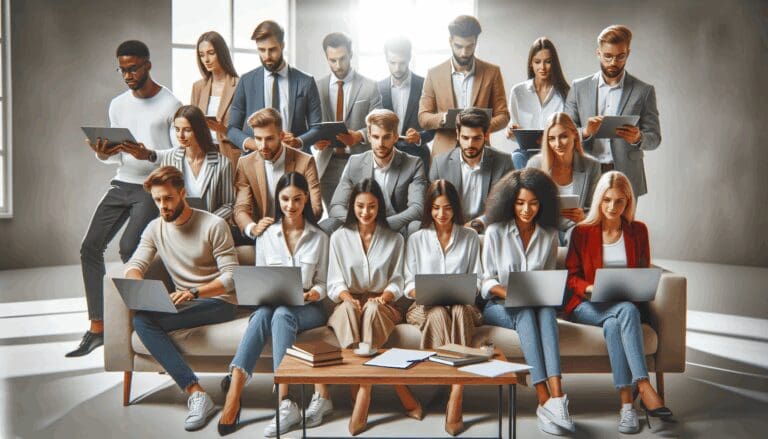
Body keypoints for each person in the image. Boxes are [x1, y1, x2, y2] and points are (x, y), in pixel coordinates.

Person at [69, 40, 182, 358]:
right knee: (89, 248)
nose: (128, 75)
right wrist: (102, 154)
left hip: (151, 186)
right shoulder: (118, 104)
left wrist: (150, 154)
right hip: (122, 183)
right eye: (122, 69)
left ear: (148, 64)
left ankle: (149, 320)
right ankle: (98, 327)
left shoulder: (170, 104)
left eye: (133, 68)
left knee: (129, 247)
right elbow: (117, 158)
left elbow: (181, 155)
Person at [218, 173, 332, 437]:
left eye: (297, 199)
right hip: (274, 306)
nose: (290, 206)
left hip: (309, 309)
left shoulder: (320, 237)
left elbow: (324, 284)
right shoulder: (267, 235)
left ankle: (285, 399)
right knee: (266, 314)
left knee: (281, 315)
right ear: (276, 199)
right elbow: (261, 278)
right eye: (284, 199)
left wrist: (313, 294)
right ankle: (235, 395)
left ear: (306, 200)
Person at [126, 166, 239, 431]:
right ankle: (197, 392)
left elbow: (232, 277)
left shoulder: (214, 224)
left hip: (221, 302)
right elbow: (136, 263)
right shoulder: (155, 228)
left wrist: (195, 292)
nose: (163, 206)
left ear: (182, 193)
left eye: (168, 198)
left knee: (144, 323)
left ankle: (196, 393)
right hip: (185, 301)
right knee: (143, 319)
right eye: (157, 200)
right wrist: (137, 286)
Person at [564, 171, 672, 434]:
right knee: (625, 310)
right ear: (599, 200)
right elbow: (570, 279)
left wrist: (638, 287)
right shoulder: (582, 232)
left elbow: (643, 270)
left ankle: (626, 406)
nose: (612, 207)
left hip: (623, 308)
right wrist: (589, 287)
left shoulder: (638, 231)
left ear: (628, 203)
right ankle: (644, 387)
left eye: (619, 201)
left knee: (616, 322)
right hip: (586, 306)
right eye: (606, 200)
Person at [481, 168, 576, 435]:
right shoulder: (495, 231)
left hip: (535, 304)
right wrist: (511, 294)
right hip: (498, 305)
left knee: (546, 312)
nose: (526, 209)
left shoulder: (548, 234)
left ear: (542, 204)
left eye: (533, 203)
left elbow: (546, 277)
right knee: (524, 311)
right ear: (510, 202)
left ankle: (558, 397)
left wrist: (542, 294)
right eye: (520, 203)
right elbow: (485, 280)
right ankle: (543, 397)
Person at [326, 179, 419, 435]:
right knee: (346, 311)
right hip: (349, 299)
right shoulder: (338, 238)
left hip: (383, 303)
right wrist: (347, 297)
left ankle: (362, 395)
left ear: (380, 206)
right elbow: (334, 281)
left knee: (373, 310)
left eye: (372, 206)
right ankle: (401, 390)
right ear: (351, 206)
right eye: (360, 206)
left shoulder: (395, 238)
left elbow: (398, 280)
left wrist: (385, 297)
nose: (366, 212)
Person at [404, 179, 482, 435]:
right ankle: (454, 384)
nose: (441, 214)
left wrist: (466, 290)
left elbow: (478, 279)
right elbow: (407, 283)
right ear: (429, 208)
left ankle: (455, 392)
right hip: (425, 307)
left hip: (462, 305)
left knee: (458, 311)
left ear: (455, 208)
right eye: (436, 208)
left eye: (447, 208)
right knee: (438, 313)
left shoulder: (470, 237)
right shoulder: (417, 238)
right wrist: (423, 292)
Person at [564, 25, 661, 198]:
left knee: (620, 226)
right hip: (587, 171)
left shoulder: (644, 91)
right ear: (598, 53)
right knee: (586, 225)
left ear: (628, 53)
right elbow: (564, 133)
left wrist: (639, 138)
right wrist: (585, 132)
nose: (613, 63)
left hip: (626, 175)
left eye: (620, 56)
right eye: (608, 56)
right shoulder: (579, 87)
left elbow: (655, 138)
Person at [322, 109, 427, 236]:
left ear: (395, 137)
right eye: (376, 137)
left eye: (386, 137)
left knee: (416, 226)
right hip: (361, 225)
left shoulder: (414, 164)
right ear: (369, 137)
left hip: (396, 228)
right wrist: (363, 223)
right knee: (328, 225)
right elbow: (336, 206)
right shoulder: (355, 162)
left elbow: (417, 209)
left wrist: (381, 225)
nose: (380, 144)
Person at [418, 15, 509, 157]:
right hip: (443, 155)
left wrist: (479, 126)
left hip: (481, 153)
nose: (464, 53)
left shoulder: (492, 73)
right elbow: (423, 117)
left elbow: (503, 116)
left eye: (469, 46)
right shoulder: (434, 74)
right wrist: (444, 118)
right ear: (450, 41)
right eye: (458, 46)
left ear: (476, 42)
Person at [227, 20, 322, 155]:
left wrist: (298, 141)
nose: (267, 56)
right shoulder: (246, 81)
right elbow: (232, 129)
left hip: (294, 158)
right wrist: (257, 145)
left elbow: (317, 128)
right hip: (256, 161)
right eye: (261, 50)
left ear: (282, 46)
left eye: (272, 49)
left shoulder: (306, 82)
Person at [311, 32, 382, 206]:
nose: (338, 65)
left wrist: (358, 136)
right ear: (326, 58)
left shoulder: (370, 87)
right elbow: (310, 125)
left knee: (360, 218)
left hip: (360, 162)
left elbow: (379, 124)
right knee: (335, 217)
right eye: (332, 60)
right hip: (328, 165)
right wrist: (314, 141)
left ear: (351, 54)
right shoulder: (316, 87)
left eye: (342, 58)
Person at [233, 108, 322, 243]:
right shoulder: (245, 163)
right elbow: (241, 207)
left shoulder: (306, 161)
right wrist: (254, 228)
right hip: (261, 236)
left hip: (297, 233)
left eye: (269, 139)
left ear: (281, 136)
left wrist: (291, 226)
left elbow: (316, 208)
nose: (263, 146)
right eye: (258, 139)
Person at [131, 105, 234, 219]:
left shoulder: (223, 164)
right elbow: (161, 195)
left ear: (199, 130)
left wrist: (207, 223)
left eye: (187, 130)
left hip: (209, 230)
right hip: (176, 225)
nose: (180, 135)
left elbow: (229, 205)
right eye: (177, 129)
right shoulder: (169, 159)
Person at [429, 108, 513, 234]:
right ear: (457, 134)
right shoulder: (439, 164)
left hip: (488, 232)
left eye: (476, 138)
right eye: (465, 137)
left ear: (486, 135)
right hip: (451, 230)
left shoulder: (504, 163)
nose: (470, 144)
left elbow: (506, 206)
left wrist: (478, 223)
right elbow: (431, 206)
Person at [528, 112, 600, 245]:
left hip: (575, 227)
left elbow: (593, 209)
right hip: (545, 226)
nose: (557, 144)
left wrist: (583, 218)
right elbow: (527, 204)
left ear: (575, 136)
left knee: (577, 236)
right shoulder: (535, 164)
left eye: (563, 136)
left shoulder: (592, 166)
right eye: (551, 138)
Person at [506, 37, 570, 170]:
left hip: (556, 153)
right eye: (537, 62)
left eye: (548, 62)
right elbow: (515, 133)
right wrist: (512, 132)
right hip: (526, 154)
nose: (542, 67)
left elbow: (570, 133)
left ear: (554, 64)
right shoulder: (518, 92)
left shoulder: (565, 93)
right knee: (516, 157)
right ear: (531, 64)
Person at [378, 36, 433, 172]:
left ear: (409, 57)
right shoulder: (377, 88)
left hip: (418, 156)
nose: (397, 68)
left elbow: (434, 125)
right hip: (385, 156)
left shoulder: (426, 85)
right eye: (392, 62)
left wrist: (420, 137)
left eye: (402, 63)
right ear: (386, 59)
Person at [190, 31, 241, 169]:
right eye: (202, 55)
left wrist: (223, 129)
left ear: (222, 53)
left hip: (230, 155)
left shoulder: (241, 85)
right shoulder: (198, 87)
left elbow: (249, 131)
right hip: (203, 155)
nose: (206, 59)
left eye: (211, 53)